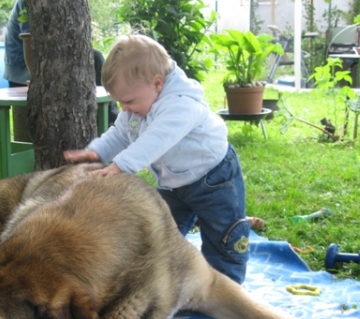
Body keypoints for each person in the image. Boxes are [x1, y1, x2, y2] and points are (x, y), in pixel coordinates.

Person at [63, 34, 250, 285]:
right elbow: (120, 133)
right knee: (162, 232)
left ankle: (228, 289)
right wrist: (97, 151)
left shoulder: (181, 105)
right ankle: (170, 280)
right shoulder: (139, 105)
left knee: (223, 236)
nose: (125, 108)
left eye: (128, 101)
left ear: (157, 83)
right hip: (174, 184)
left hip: (214, 179)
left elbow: (156, 139)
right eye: (119, 102)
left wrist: (122, 165)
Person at [3, 0, 119, 123]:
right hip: (24, 71)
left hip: (46, 63)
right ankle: (112, 119)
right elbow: (34, 42)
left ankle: (108, 118)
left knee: (94, 56)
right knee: (94, 56)